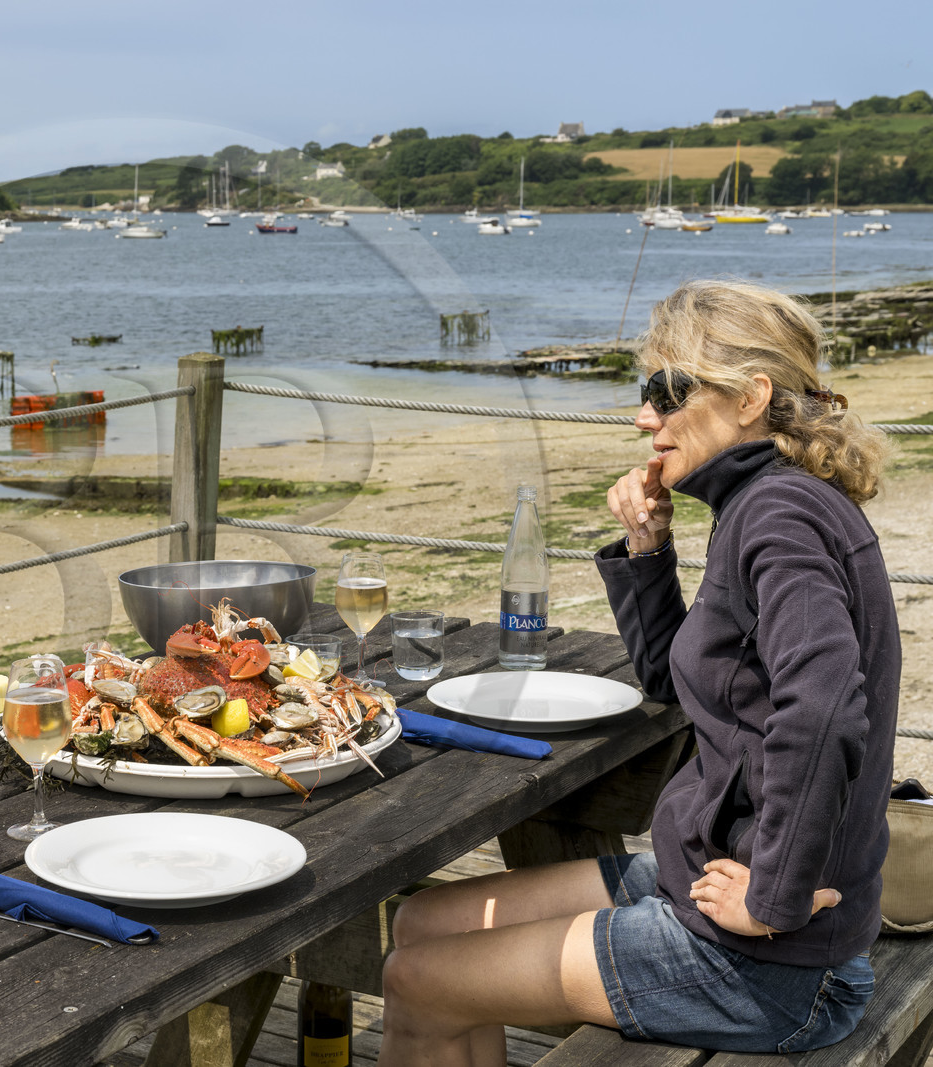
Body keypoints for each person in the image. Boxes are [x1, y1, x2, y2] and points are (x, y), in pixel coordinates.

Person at [379, 278, 897, 1065]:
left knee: (419, 978)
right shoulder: (762, 502)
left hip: (774, 962)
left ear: (752, 395)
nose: (644, 415)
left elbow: (822, 705)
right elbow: (672, 681)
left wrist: (774, 895)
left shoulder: (778, 515)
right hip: (704, 873)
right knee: (429, 922)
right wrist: (649, 551)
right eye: (644, 391)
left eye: (666, 389)